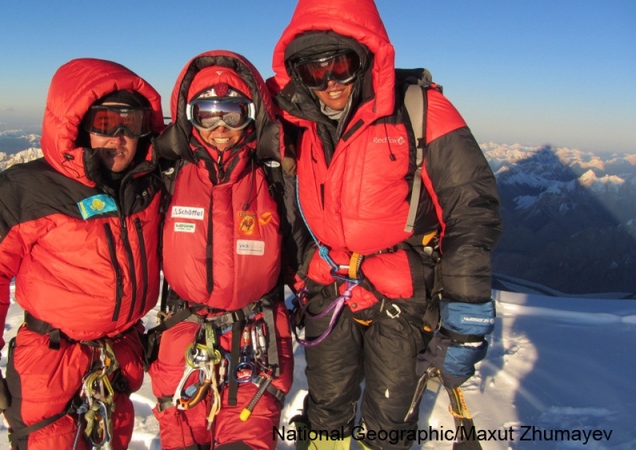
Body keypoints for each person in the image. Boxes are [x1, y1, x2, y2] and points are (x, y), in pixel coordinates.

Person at [269, 0, 503, 449]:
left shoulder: (419, 109)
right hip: (328, 288)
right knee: (326, 408)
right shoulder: (296, 121)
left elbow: (471, 207)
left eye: (340, 64)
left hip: (403, 293)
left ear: (366, 57)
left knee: (388, 421)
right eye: (312, 71)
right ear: (296, 73)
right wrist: (300, 270)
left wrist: (466, 312)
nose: (330, 83)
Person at [0, 58, 165, 450]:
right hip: (48, 362)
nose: (118, 137)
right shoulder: (26, 190)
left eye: (130, 124)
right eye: (104, 124)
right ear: (78, 125)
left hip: (119, 358)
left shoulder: (148, 184)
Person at [146, 49, 297, 449]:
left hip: (256, 338)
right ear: (190, 117)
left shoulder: (273, 172)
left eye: (232, 112)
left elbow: (300, 238)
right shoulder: (170, 172)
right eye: (207, 113)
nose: (220, 126)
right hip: (185, 337)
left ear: (251, 115)